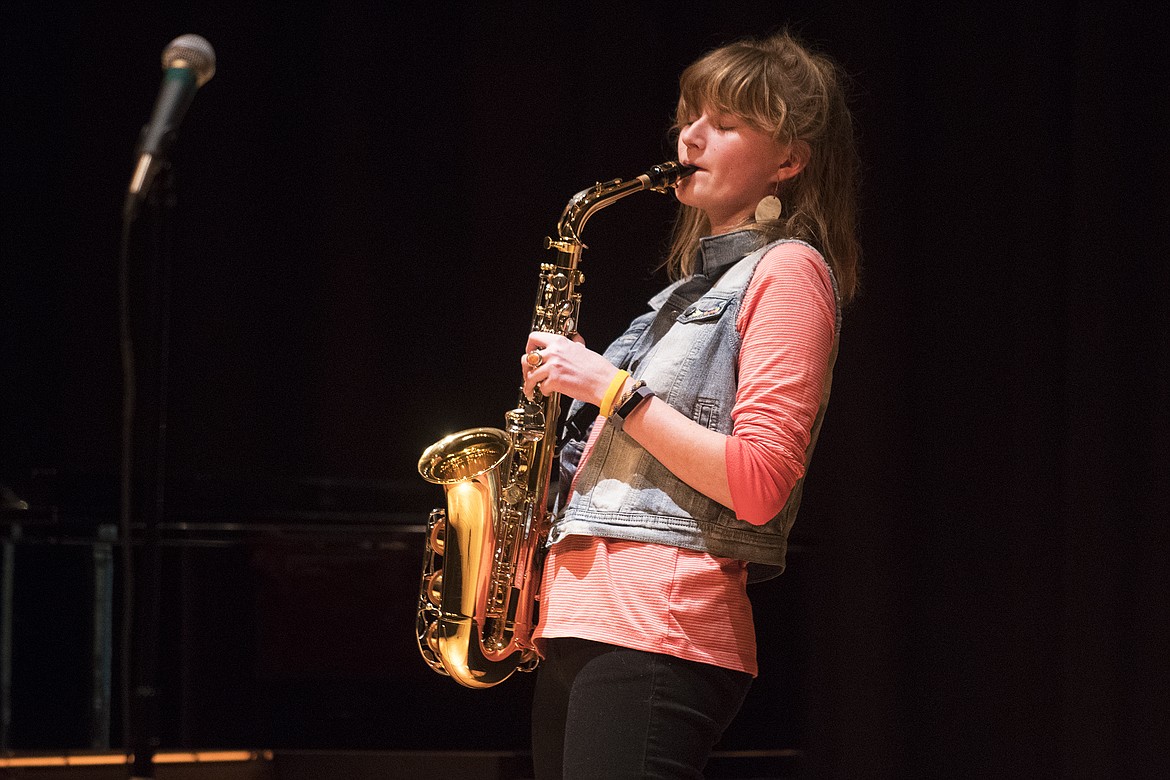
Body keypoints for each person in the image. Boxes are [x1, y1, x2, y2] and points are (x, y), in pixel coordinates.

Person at [519, 28, 860, 779]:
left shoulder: (790, 272)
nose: (688, 136)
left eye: (724, 122)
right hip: (579, 621)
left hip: (660, 627)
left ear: (790, 160)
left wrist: (608, 388)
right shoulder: (678, 295)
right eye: (686, 117)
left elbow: (760, 485)